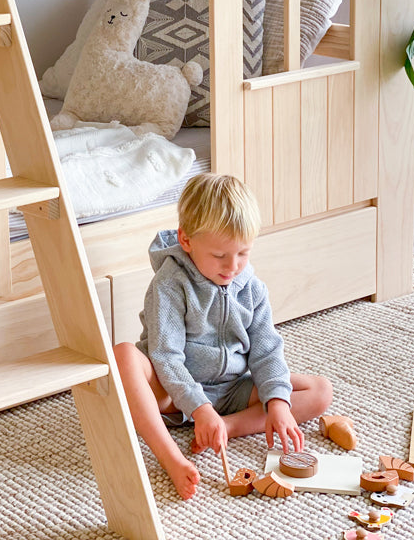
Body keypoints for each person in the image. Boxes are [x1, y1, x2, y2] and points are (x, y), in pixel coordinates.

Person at [113, 173, 333, 500]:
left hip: (231, 391)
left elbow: (267, 351)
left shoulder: (253, 288)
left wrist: (277, 403)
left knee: (319, 391)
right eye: (220, 256)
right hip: (172, 393)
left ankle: (227, 427)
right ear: (186, 241)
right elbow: (165, 356)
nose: (233, 266)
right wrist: (199, 408)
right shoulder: (170, 284)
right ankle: (171, 457)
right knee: (124, 355)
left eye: (243, 254)